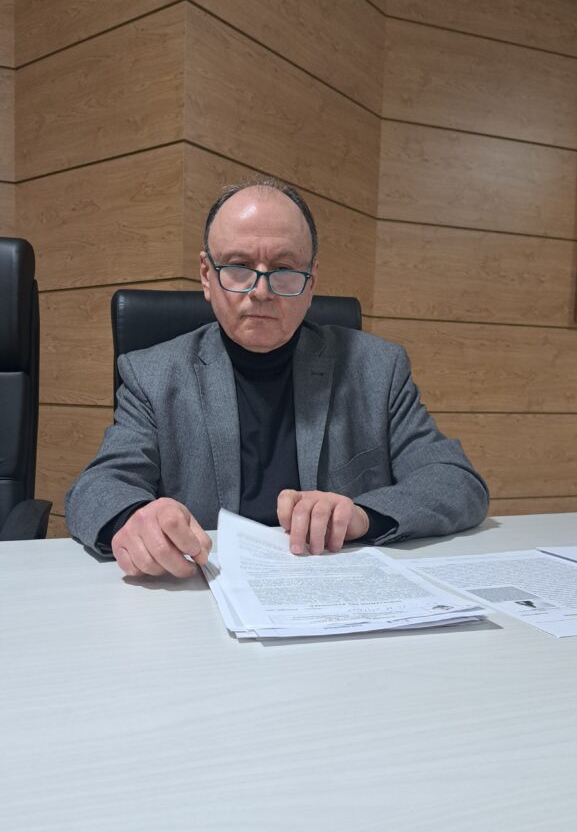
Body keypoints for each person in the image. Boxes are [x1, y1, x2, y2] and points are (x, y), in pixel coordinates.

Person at [65, 177, 489, 578]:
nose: (261, 291)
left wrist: (363, 515)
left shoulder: (378, 368)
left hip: (335, 586)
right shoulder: (152, 375)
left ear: (312, 281)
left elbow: (456, 482)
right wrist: (134, 517)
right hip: (199, 589)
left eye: (284, 268)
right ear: (207, 276)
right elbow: (96, 487)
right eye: (238, 266)